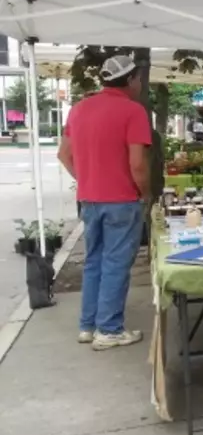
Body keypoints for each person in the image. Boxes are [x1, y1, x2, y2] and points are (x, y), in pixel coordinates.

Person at [58, 55, 152, 350]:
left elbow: (64, 154)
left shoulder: (79, 109)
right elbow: (138, 165)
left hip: (89, 199)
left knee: (94, 262)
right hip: (122, 200)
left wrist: (85, 178)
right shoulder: (133, 111)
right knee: (115, 264)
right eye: (137, 78)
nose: (138, 82)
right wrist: (145, 192)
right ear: (129, 80)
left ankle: (88, 326)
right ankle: (109, 329)